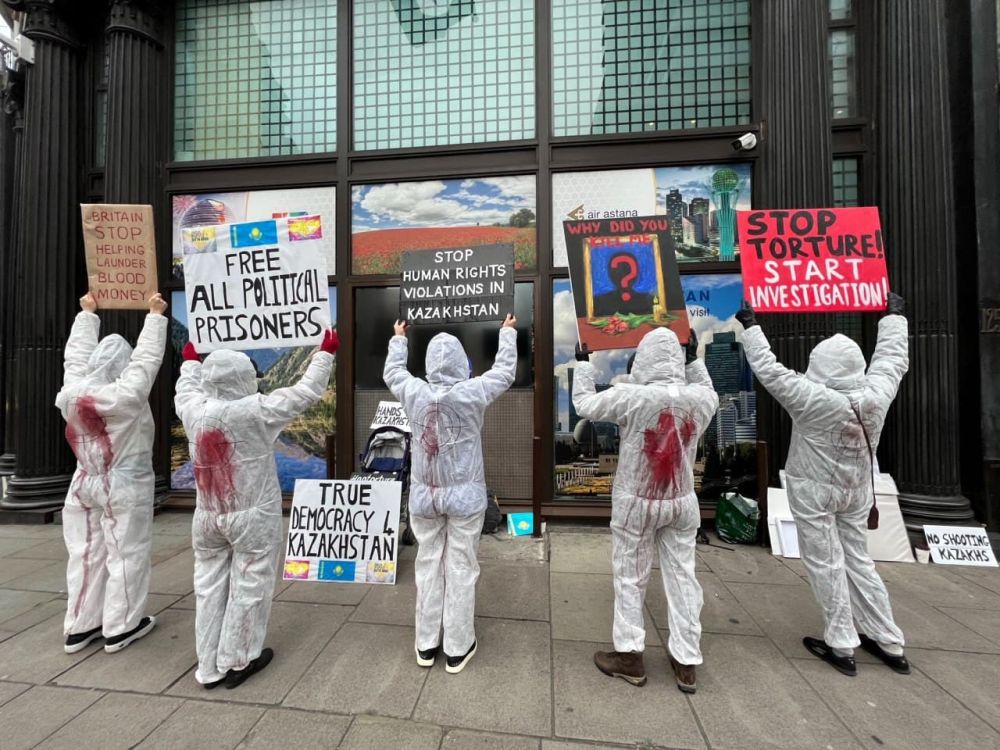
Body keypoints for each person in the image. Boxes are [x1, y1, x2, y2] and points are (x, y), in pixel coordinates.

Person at [736, 293, 911, 677]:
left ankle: (842, 643)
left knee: (825, 564)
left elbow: (770, 370)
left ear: (819, 366)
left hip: (813, 492)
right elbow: (893, 361)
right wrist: (894, 318)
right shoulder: (877, 394)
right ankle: (888, 640)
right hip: (856, 490)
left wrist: (751, 327)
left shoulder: (810, 397)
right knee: (860, 562)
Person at [174, 329, 338, 689]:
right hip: (251, 515)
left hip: (206, 515)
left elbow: (184, 389)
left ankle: (208, 665)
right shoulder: (256, 410)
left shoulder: (193, 410)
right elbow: (305, 392)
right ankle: (239, 659)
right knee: (250, 584)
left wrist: (189, 362)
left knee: (208, 587)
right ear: (245, 379)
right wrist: (325, 353)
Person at [573, 327, 718, 693]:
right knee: (684, 577)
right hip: (681, 501)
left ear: (645, 358)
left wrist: (583, 363)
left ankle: (630, 656)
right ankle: (686, 661)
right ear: (677, 360)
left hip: (636, 500)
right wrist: (695, 362)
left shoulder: (631, 397)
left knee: (629, 577)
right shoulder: (701, 399)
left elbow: (584, 406)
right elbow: (711, 391)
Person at [384, 314, 518, 674]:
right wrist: (507, 333)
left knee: (428, 566)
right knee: (460, 568)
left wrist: (399, 339)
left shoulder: (414, 391)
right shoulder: (472, 392)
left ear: (428, 363)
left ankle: (426, 645)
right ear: (462, 361)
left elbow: (392, 373)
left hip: (424, 498)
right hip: (465, 499)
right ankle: (458, 647)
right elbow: (504, 372)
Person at [56, 291, 169, 654]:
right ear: (122, 364)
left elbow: (74, 358)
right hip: (124, 482)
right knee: (127, 551)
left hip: (83, 480)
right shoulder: (124, 396)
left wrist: (87, 314)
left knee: (85, 553)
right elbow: (146, 361)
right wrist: (155, 316)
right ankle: (121, 625)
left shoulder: (71, 392)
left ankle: (80, 624)